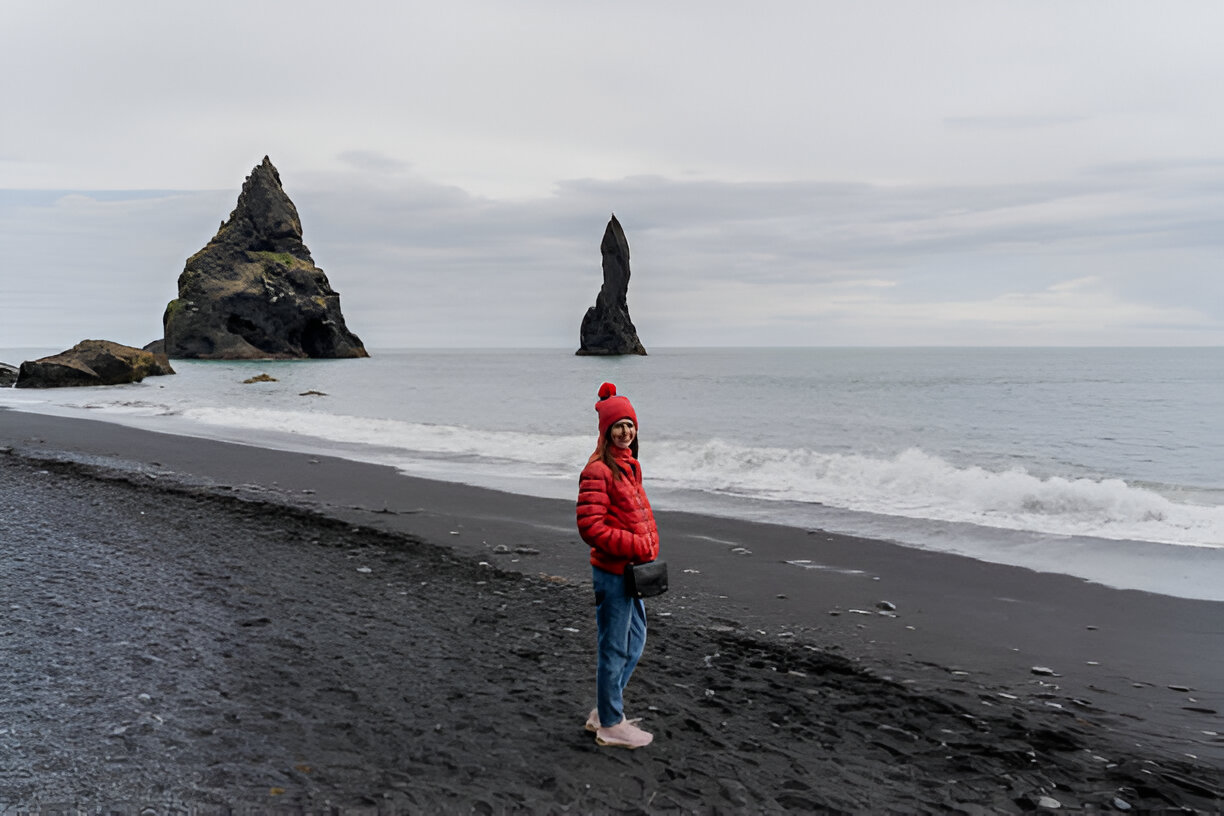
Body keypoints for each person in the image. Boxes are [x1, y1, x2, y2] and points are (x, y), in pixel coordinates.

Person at [576, 381, 660, 749]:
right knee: (614, 648)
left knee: (636, 642)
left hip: (633, 573)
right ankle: (610, 723)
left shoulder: (630, 466)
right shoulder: (598, 471)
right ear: (606, 430)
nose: (626, 431)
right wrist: (636, 544)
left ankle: (605, 711)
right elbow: (590, 527)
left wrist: (648, 547)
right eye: (618, 425)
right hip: (613, 573)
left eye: (630, 424)